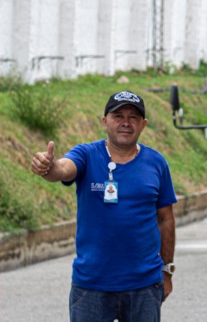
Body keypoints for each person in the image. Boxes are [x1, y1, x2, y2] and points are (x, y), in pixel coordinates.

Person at [30, 90, 177, 322]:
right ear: (104, 121)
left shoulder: (156, 163)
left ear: (143, 124)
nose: (126, 123)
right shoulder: (86, 154)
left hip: (144, 285)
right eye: (118, 116)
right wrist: (49, 167)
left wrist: (167, 271)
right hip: (92, 285)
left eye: (133, 117)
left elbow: (166, 219)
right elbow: (63, 169)